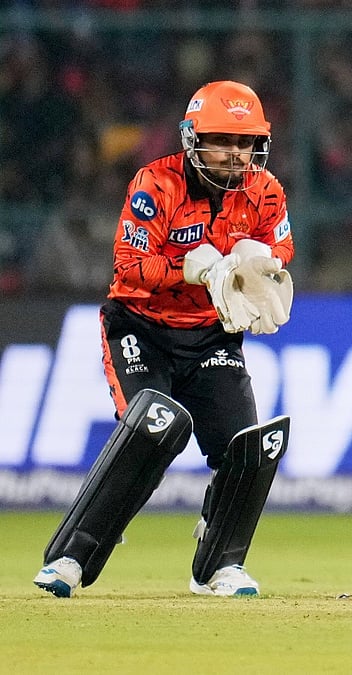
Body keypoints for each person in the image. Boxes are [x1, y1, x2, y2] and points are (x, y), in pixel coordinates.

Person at [34, 80, 295, 598]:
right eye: (223, 140)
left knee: (248, 449)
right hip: (140, 326)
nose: (236, 154)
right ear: (193, 138)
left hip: (211, 336)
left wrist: (255, 267)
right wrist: (193, 270)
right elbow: (128, 267)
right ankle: (70, 558)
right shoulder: (156, 184)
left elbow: (281, 251)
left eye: (246, 143)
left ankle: (220, 565)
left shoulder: (266, 191)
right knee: (154, 428)